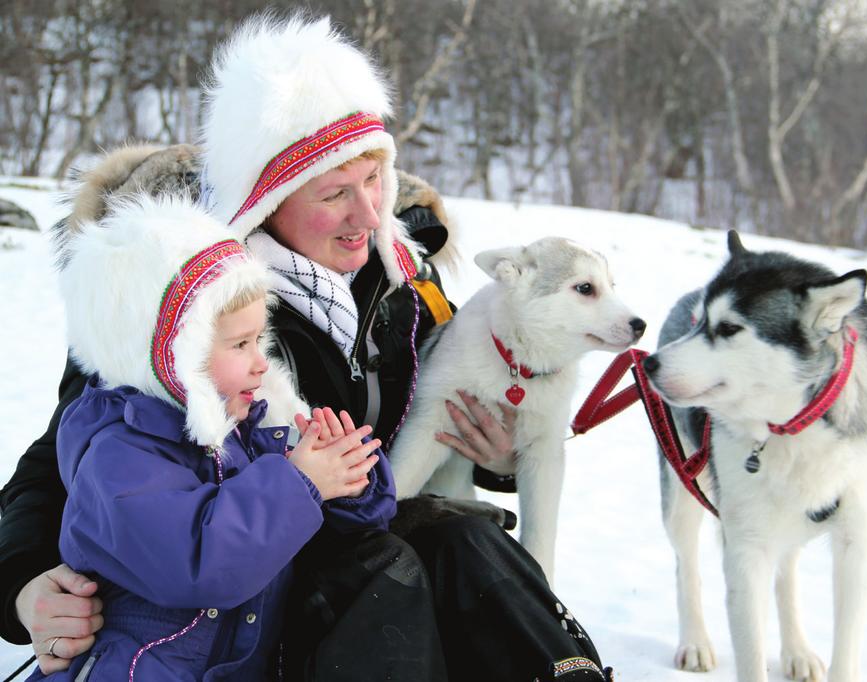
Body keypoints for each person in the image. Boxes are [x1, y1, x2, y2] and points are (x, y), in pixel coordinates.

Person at [1, 13, 613, 682]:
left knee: (467, 537)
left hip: (362, 526)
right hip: (257, 584)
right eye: (335, 193)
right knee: (386, 566)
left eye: (376, 180)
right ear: (268, 195)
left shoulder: (405, 284)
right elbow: (72, 452)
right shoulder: (176, 304)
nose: (370, 214)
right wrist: (22, 585)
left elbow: (470, 396)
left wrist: (497, 456)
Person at [24, 194, 394, 680]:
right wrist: (303, 482)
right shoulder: (118, 453)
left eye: (259, 339)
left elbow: (310, 528)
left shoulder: (241, 431)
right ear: (170, 354)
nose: (261, 361)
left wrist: (351, 480)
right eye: (240, 344)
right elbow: (202, 561)